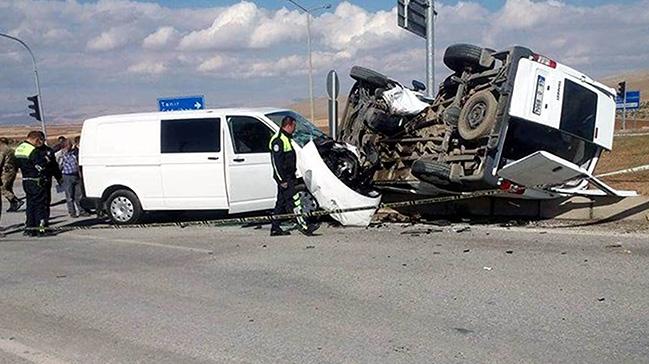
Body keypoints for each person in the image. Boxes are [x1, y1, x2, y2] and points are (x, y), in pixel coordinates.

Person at [268, 116, 317, 237]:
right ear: (288, 125)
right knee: (295, 200)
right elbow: (276, 163)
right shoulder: (278, 140)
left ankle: (275, 228)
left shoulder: (286, 138)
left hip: (289, 176)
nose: (295, 130)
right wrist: (282, 180)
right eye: (294, 127)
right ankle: (304, 226)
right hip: (284, 178)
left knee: (281, 202)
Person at [14, 131, 50, 236]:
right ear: (37, 139)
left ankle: (29, 228)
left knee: (30, 205)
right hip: (36, 181)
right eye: (41, 141)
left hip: (26, 180)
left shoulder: (19, 148)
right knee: (40, 206)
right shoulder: (33, 150)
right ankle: (41, 229)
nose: (41, 144)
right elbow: (40, 166)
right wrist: (46, 160)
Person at [36, 131, 62, 226]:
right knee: (38, 204)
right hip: (36, 181)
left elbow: (54, 166)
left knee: (46, 202)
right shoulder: (34, 152)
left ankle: (44, 223)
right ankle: (37, 226)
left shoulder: (49, 151)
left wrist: (59, 177)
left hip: (47, 180)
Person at [59, 139, 83, 217]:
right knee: (69, 196)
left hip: (75, 175)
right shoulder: (61, 155)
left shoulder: (73, 154)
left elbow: (77, 164)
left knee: (78, 195)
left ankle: (81, 210)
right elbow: (59, 166)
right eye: (69, 144)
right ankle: (72, 212)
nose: (71, 145)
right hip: (67, 176)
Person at [0, 137, 24, 212]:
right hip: (12, 171)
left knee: (2, 188)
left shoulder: (2, 150)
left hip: (6, 172)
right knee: (8, 188)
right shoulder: (11, 150)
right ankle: (13, 204)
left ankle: (15, 201)